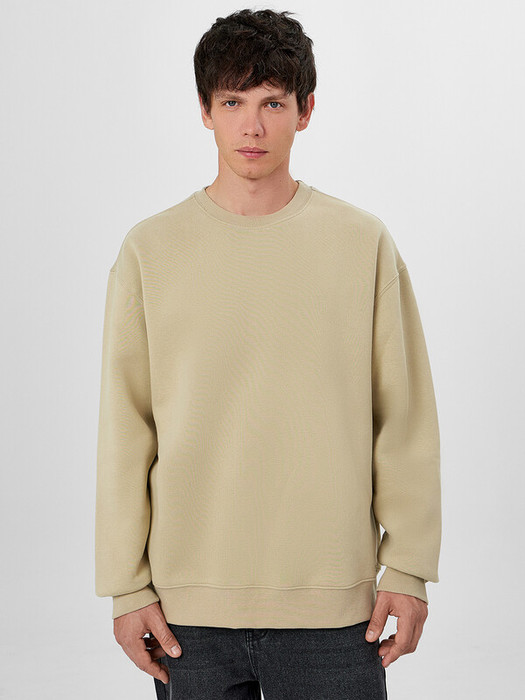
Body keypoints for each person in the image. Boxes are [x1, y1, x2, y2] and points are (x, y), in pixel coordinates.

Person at [95, 8, 442, 699]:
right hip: (187, 611)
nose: (251, 127)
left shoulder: (361, 243)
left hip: (335, 609)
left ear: (305, 111)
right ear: (204, 111)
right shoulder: (149, 251)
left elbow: (403, 417)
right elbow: (125, 428)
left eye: (272, 103)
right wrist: (125, 585)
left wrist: (407, 567)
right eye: (232, 102)